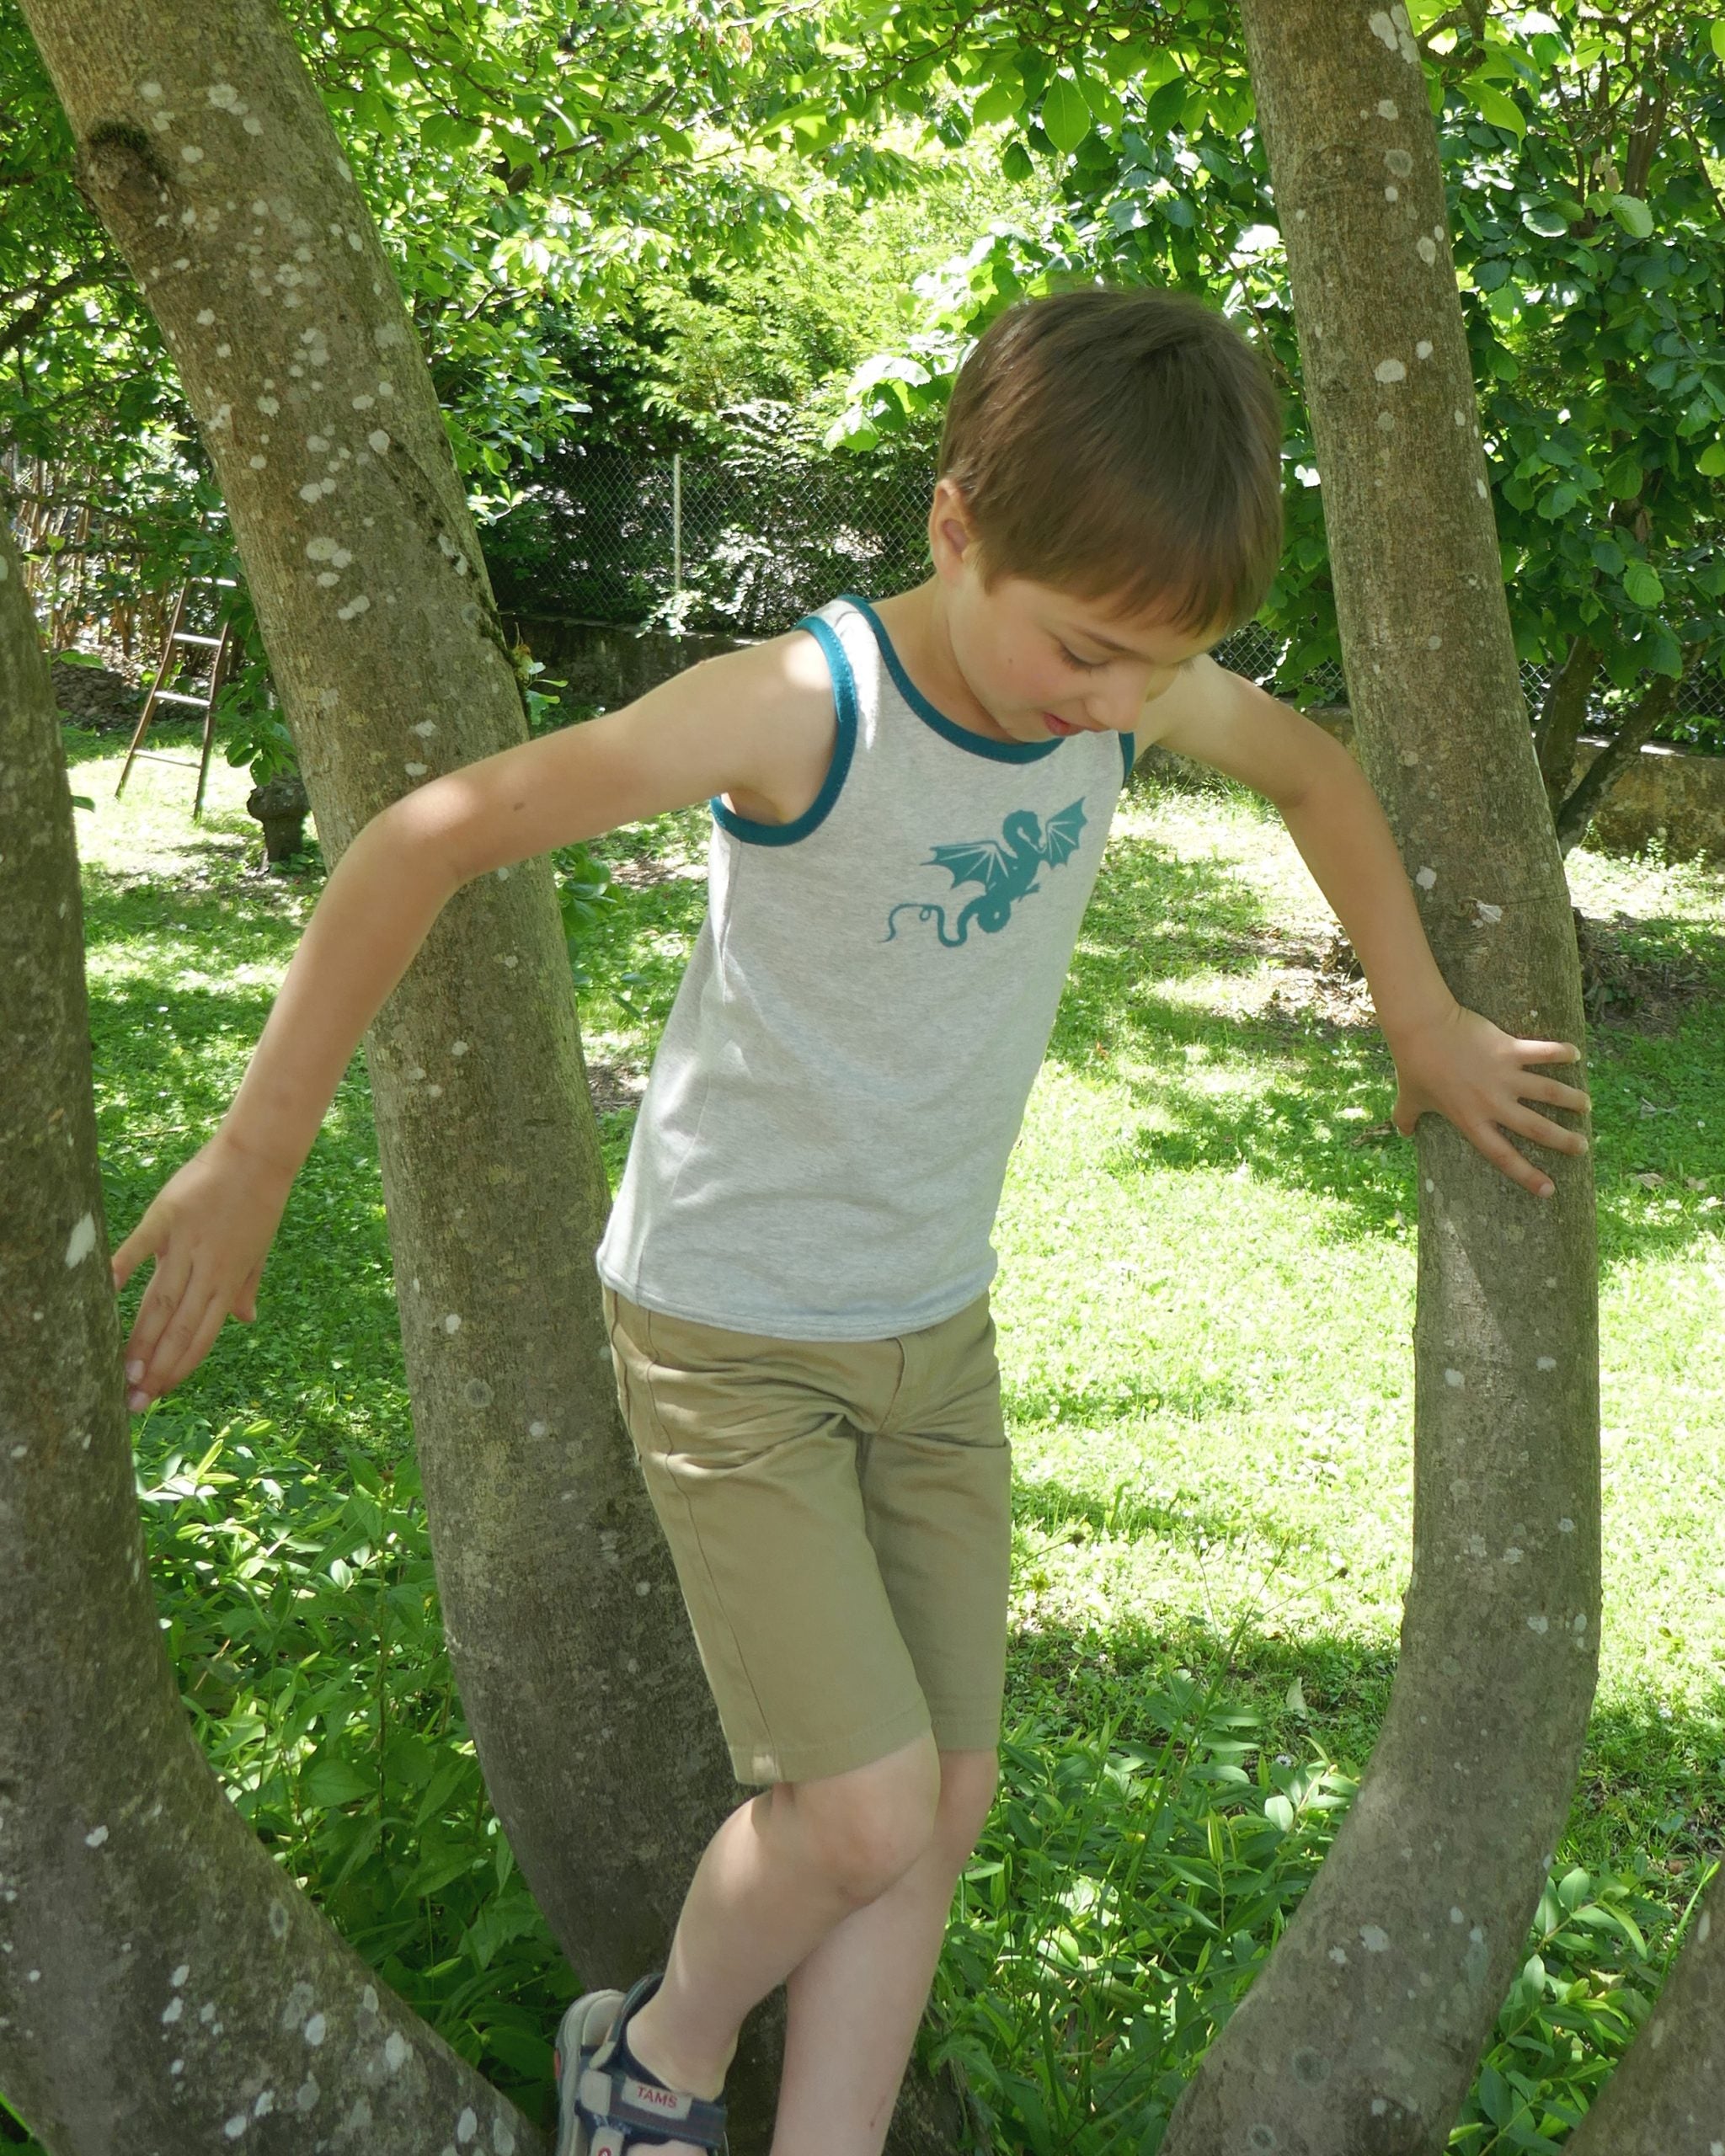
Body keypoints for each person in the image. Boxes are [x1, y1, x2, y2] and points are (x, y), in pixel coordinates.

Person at [110, 286, 1590, 2156]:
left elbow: (1308, 768)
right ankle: (648, 2059)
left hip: (932, 1322)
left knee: (943, 1797)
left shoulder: (1121, 662)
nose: (1118, 704)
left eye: (1160, 665)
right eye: (1088, 651)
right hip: (732, 1326)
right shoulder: (806, 704)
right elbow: (428, 834)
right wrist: (253, 1153)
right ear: (954, 529)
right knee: (871, 1806)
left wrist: (1422, 1015)